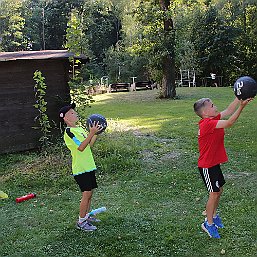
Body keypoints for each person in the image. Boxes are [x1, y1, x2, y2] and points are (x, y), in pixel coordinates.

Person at [193, 97, 252, 238]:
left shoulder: (212, 119)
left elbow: (229, 110)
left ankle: (213, 215)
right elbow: (230, 122)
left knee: (219, 190)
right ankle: (208, 223)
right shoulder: (207, 124)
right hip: (207, 166)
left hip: (214, 164)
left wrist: (239, 98)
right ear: (206, 113)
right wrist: (242, 107)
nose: (215, 106)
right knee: (213, 194)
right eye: (212, 105)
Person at [59, 103, 103, 231]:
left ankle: (86, 216)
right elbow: (81, 147)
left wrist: (96, 133)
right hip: (80, 168)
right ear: (65, 118)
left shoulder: (80, 129)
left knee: (90, 193)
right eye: (71, 113)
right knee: (86, 194)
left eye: (74, 111)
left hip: (89, 166)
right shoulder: (69, 132)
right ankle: (81, 222)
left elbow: (89, 145)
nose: (75, 114)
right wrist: (91, 133)